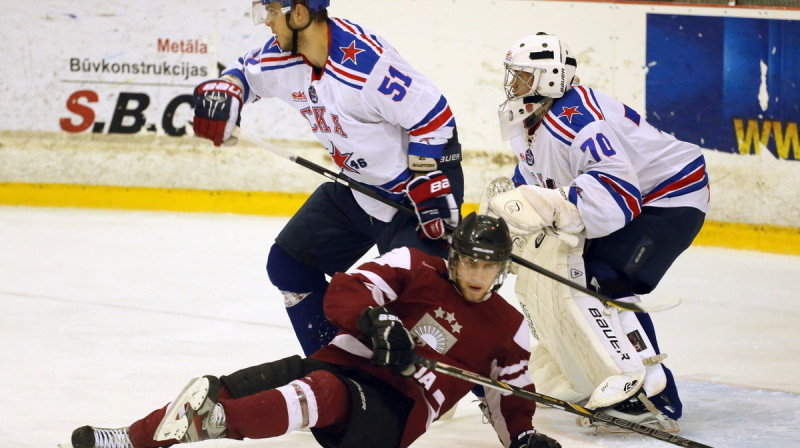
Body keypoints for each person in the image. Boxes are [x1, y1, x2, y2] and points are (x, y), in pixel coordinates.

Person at [66, 213, 561, 448]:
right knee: (227, 386)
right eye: (470, 262)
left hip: (392, 413)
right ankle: (130, 439)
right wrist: (377, 320)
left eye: (488, 267)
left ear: (501, 271)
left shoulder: (508, 329)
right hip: (341, 365)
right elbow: (348, 289)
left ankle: (214, 423)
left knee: (322, 391)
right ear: (453, 257)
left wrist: (523, 439)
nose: (477, 275)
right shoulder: (414, 265)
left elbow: (512, 401)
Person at [191, 0, 464, 356]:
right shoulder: (285, 57)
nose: (267, 22)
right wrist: (228, 90)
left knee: (424, 303)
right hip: (358, 187)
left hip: (414, 193)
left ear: (299, 13)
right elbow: (244, 71)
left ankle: (467, 384)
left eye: (272, 11)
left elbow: (434, 116)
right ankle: (332, 365)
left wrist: (426, 176)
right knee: (289, 265)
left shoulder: (367, 66)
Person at [485, 33, 710, 433]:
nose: (512, 85)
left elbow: (618, 195)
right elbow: (536, 179)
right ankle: (589, 372)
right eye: (513, 76)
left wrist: (553, 207)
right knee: (559, 275)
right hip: (643, 197)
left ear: (551, 79)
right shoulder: (534, 118)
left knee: (603, 277)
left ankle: (654, 394)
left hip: (672, 197)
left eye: (522, 77)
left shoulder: (577, 122)